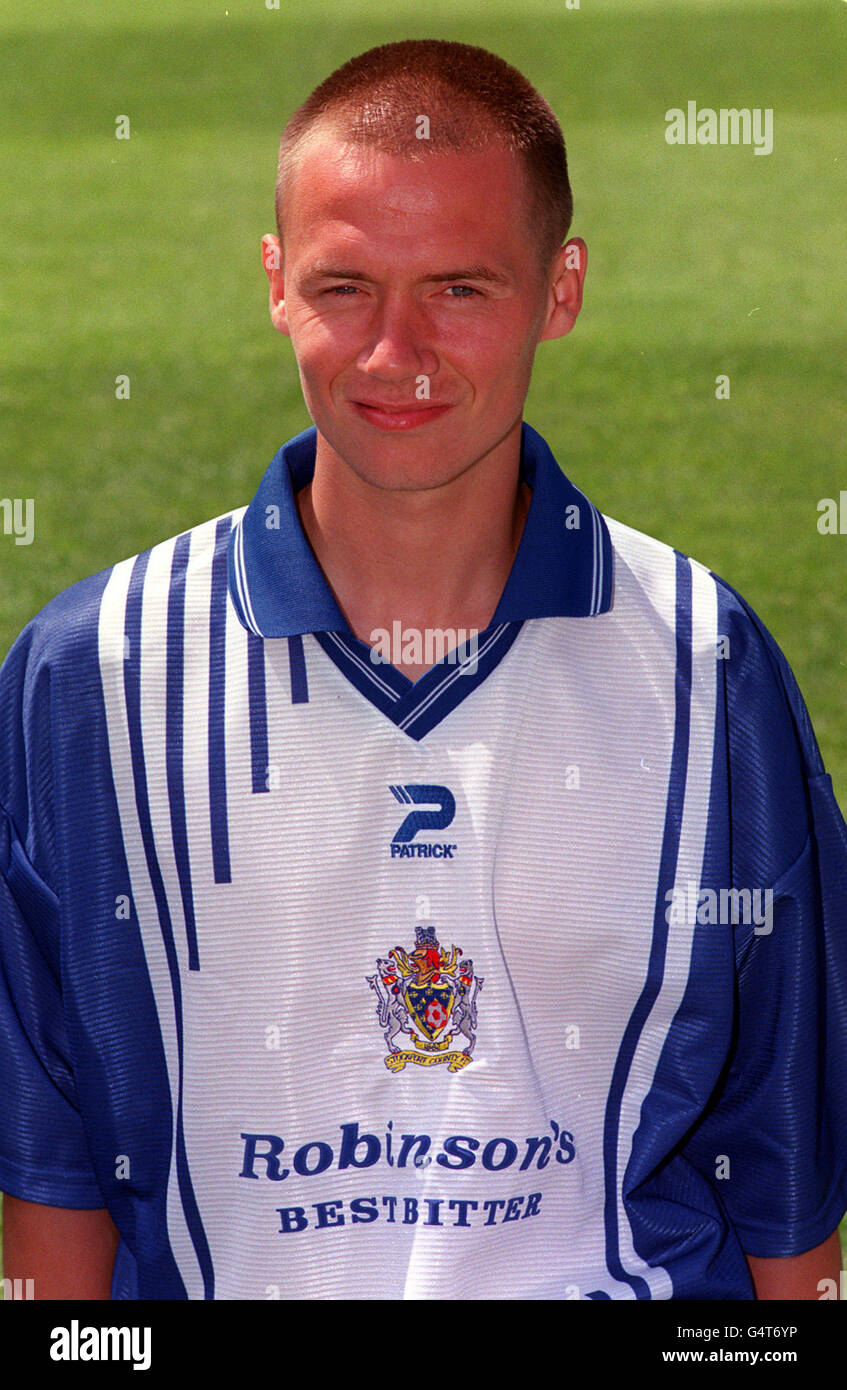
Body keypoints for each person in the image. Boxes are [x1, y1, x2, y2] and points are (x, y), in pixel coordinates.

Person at [1, 38, 846, 1302]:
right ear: (275, 283)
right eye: (347, 286)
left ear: (560, 290)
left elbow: (779, 1159)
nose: (397, 351)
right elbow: (52, 1163)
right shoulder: (92, 676)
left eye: (459, 288)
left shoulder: (703, 663)